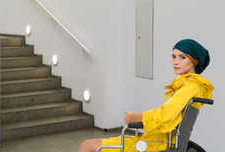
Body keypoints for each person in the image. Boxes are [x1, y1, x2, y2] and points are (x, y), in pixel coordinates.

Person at [79, 39, 214, 152]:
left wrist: (134, 117)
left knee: (87, 146)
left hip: (156, 144)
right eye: (173, 56)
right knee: (90, 143)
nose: (175, 62)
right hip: (155, 139)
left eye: (182, 57)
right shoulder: (187, 85)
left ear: (195, 61)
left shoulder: (191, 86)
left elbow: (165, 114)